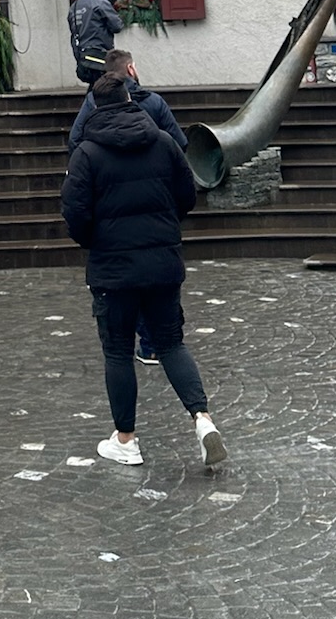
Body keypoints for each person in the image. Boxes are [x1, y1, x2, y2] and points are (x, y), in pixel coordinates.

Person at [61, 72, 226, 472]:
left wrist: (94, 242)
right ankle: (202, 419)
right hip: (162, 261)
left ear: (95, 107)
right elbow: (187, 195)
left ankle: (126, 440)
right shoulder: (164, 142)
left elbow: (75, 213)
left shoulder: (86, 153)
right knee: (170, 343)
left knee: (118, 351)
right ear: (130, 99)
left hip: (113, 268)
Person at [67, 49, 185, 367]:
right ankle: (155, 344)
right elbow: (180, 146)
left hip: (112, 223)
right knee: (156, 283)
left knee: (124, 292)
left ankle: (135, 345)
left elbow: (75, 141)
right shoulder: (154, 104)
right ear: (131, 69)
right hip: (156, 217)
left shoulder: (93, 105)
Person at [68, 48, 186, 154]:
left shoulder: (93, 100)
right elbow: (179, 142)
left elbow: (75, 139)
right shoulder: (154, 101)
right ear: (130, 69)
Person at [68, 0, 127, 85]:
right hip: (99, 54)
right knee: (109, 86)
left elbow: (73, 30)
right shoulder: (101, 2)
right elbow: (117, 26)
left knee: (96, 88)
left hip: (82, 56)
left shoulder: (74, 6)